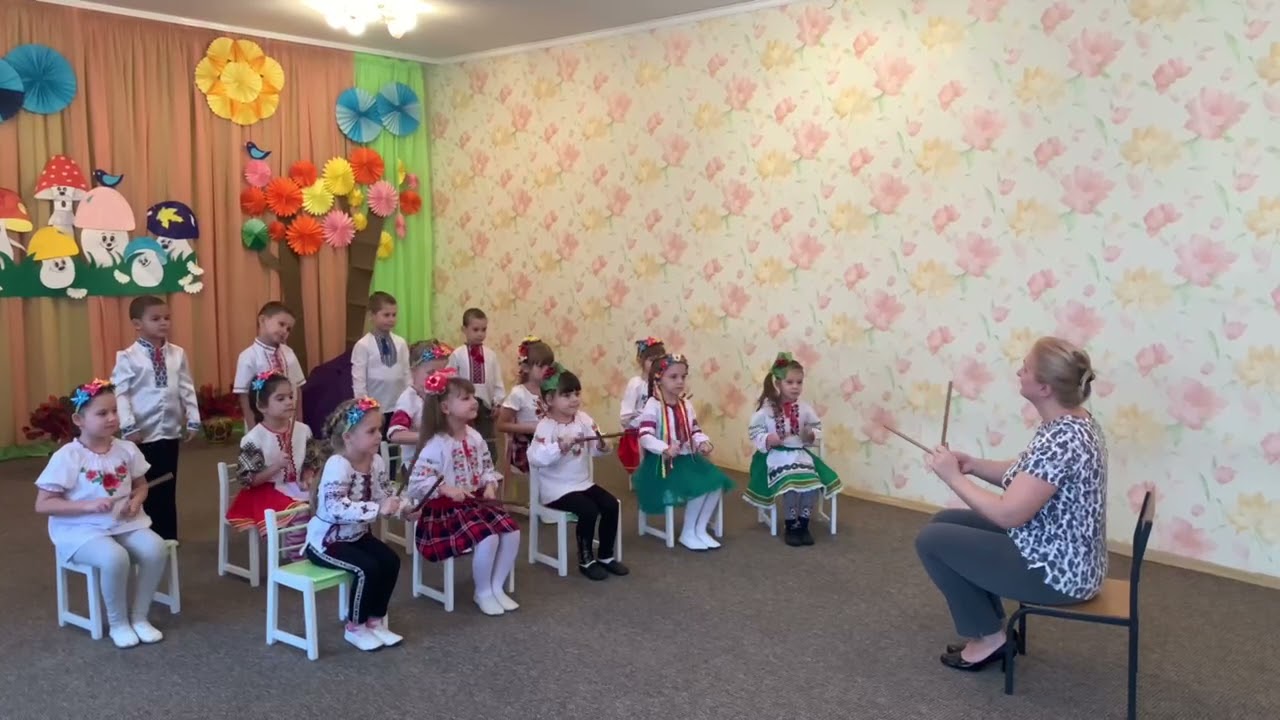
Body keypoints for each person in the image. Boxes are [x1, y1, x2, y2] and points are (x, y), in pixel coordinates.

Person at [914, 336, 1108, 671]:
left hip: (1058, 573)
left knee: (931, 541)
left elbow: (1009, 514)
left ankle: (989, 640)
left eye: (1026, 369)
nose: (1019, 372)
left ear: (1044, 388)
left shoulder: (1064, 439)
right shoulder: (1071, 422)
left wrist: (953, 478)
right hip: (1058, 550)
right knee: (944, 522)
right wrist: (972, 465)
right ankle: (990, 630)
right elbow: (1027, 474)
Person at [33, 379, 170, 649]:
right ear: (79, 420)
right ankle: (118, 623)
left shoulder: (127, 449)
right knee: (113, 557)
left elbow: (141, 486)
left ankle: (139, 617)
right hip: (80, 529)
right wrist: (87, 506)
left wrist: (136, 501)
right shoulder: (68, 456)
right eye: (102, 413)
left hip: (123, 523)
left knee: (156, 548)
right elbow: (43, 504)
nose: (112, 418)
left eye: (114, 411)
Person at [404, 369, 521, 616]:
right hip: (443, 514)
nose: (474, 402)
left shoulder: (475, 437)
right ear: (445, 407)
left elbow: (487, 468)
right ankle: (483, 592)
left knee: (512, 531)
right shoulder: (435, 444)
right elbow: (416, 483)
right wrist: (445, 489)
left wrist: (490, 486)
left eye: (473, 396)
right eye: (466, 398)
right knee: (488, 537)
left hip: (472, 504)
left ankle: (496, 586)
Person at [305, 397, 403, 652]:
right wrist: (377, 509)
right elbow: (335, 508)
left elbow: (384, 494)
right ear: (348, 437)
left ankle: (375, 621)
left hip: (356, 536)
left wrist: (402, 507)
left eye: (380, 429)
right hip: (326, 542)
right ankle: (355, 627)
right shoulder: (338, 464)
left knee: (391, 561)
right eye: (371, 431)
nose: (379, 436)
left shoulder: (376, 461)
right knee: (366, 568)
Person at [110, 295, 202, 541]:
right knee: (144, 483)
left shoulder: (177, 354)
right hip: (141, 433)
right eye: (156, 318)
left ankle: (167, 535)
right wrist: (128, 426)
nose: (163, 323)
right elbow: (121, 393)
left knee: (167, 481)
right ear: (137, 324)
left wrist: (193, 417)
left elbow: (186, 388)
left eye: (167, 318)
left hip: (169, 430)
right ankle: (143, 533)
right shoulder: (128, 357)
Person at [528, 366, 629, 581]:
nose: (574, 399)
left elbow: (597, 450)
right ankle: (586, 560)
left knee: (611, 505)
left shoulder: (583, 419)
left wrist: (602, 444)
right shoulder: (545, 426)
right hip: (555, 490)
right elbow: (535, 458)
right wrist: (559, 447)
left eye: (577, 393)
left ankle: (606, 556)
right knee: (588, 510)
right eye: (567, 395)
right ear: (550, 399)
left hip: (582, 484)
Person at [634, 353, 735, 551]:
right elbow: (645, 436)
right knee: (700, 486)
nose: (680, 381)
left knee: (716, 483)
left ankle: (699, 529)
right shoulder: (653, 406)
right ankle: (688, 531)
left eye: (683, 376)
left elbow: (695, 430)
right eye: (673, 377)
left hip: (687, 458)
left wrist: (702, 442)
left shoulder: (685, 404)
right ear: (659, 379)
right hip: (662, 463)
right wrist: (664, 448)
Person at [745, 352, 842, 546]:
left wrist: (810, 434)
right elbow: (755, 431)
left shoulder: (804, 408)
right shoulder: (767, 410)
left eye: (799, 382)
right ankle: (791, 525)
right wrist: (768, 438)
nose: (795, 386)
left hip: (799, 455)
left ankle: (803, 524)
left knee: (811, 485)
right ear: (778, 383)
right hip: (776, 456)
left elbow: (817, 428)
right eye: (790, 382)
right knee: (790, 485)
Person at [225, 371, 320, 554]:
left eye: (290, 396)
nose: (289, 402)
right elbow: (248, 480)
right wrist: (276, 466)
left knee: (327, 501)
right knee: (300, 512)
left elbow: (311, 461)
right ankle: (298, 557)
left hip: (294, 488)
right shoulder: (253, 439)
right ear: (262, 406)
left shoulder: (303, 430)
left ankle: (319, 551)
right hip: (264, 492)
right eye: (280, 398)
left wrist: (307, 476)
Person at [234, 301, 305, 431]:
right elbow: (244, 396)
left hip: (290, 424)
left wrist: (300, 422)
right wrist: (253, 430)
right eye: (281, 324)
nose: (285, 331)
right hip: (261, 425)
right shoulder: (248, 356)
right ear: (262, 320)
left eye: (288, 329)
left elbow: (297, 388)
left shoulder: (289, 353)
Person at [387, 339, 453, 478]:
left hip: (442, 463)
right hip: (417, 467)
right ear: (413, 371)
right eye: (430, 373)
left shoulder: (442, 395)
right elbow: (396, 435)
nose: (437, 378)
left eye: (442, 373)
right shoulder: (409, 399)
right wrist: (429, 436)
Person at [446, 308, 504, 459]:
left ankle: (488, 467)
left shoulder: (491, 355)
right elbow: (450, 380)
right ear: (464, 330)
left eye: (484, 330)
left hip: (485, 407)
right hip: (462, 407)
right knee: (464, 439)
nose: (480, 334)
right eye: (475, 329)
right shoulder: (457, 354)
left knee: (488, 442)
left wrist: (497, 403)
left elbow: (497, 381)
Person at [351, 291, 410, 438]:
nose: (391, 319)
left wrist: (409, 401)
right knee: (377, 442)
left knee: (396, 442)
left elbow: (407, 373)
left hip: (398, 406)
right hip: (375, 408)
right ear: (372, 316)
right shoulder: (363, 345)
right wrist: (365, 407)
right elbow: (358, 380)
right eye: (386, 315)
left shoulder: (401, 343)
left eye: (394, 315)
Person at [496, 336, 555, 475]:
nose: (546, 370)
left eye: (549, 365)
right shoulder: (519, 393)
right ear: (526, 368)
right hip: (527, 448)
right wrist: (530, 427)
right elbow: (501, 425)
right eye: (541, 366)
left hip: (549, 445)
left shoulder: (552, 390)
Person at [618, 336, 665, 475]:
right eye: (652, 360)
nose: (656, 364)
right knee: (641, 471)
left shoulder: (663, 384)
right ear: (641, 361)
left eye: (659, 360)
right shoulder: (636, 384)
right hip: (637, 435)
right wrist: (644, 420)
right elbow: (625, 417)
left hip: (658, 433)